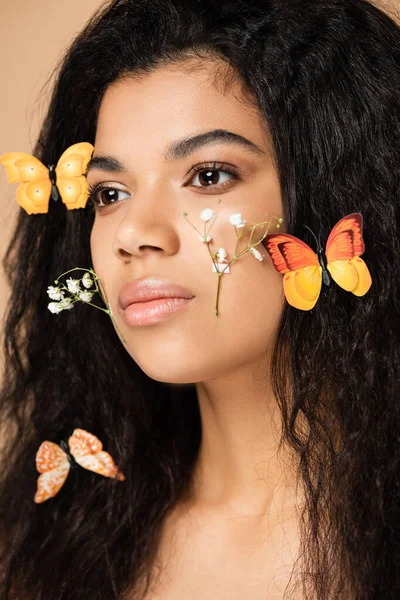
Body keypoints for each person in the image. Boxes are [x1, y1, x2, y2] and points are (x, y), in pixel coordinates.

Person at [0, 0, 399, 598]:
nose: (135, 232)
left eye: (208, 176)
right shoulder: (51, 537)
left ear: (336, 189)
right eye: (110, 192)